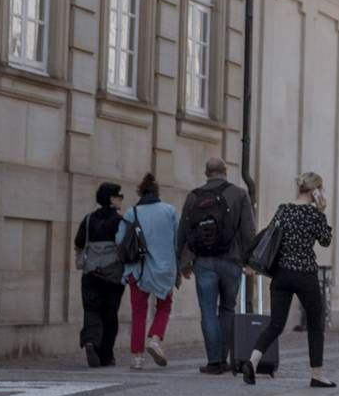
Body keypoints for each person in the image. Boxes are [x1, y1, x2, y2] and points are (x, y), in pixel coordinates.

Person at [239, 172, 335, 388]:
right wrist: (321, 212)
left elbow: (269, 235)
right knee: (315, 323)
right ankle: (317, 374)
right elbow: (325, 240)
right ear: (315, 191)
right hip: (305, 274)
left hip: (281, 274)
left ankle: (252, 362)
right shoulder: (313, 214)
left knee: (275, 324)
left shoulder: (284, 209)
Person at [177, 155, 257, 375]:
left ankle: (214, 362)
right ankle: (224, 358)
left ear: (206, 174)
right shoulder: (240, 194)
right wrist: (251, 262)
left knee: (208, 312)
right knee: (228, 308)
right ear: (225, 171)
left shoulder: (193, 196)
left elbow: (183, 230)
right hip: (231, 261)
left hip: (203, 262)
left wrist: (182, 261)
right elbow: (249, 231)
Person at [122, 172, 180, 370]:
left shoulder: (132, 212)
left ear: (140, 192)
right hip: (164, 269)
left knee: (138, 312)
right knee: (164, 307)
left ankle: (136, 357)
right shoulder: (169, 211)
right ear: (157, 192)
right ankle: (155, 339)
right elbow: (177, 242)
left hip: (138, 269)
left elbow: (120, 241)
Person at [73, 182, 125, 367]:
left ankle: (90, 341)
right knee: (110, 315)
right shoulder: (119, 221)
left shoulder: (88, 219)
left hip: (90, 273)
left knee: (91, 310)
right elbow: (125, 248)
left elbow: (79, 242)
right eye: (120, 196)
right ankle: (106, 355)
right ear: (111, 199)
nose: (122, 199)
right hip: (113, 276)